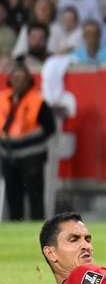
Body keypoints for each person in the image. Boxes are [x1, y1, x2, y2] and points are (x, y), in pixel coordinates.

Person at [0, 61, 57, 221]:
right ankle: (15, 225)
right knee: (13, 195)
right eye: (15, 77)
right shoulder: (2, 98)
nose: (18, 81)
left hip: (32, 154)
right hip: (8, 154)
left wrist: (24, 140)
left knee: (35, 195)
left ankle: (38, 227)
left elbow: (49, 128)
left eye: (22, 77)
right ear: (9, 80)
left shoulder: (38, 101)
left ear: (28, 80)